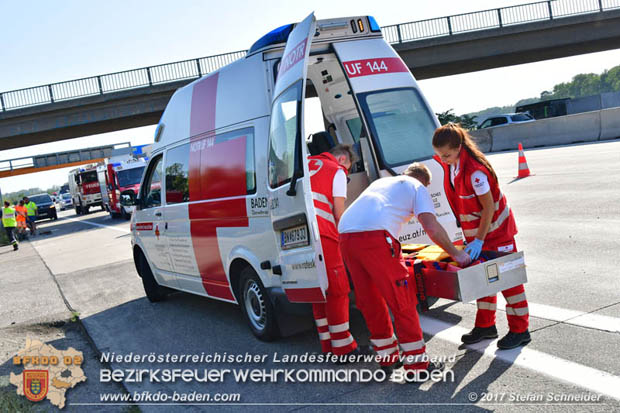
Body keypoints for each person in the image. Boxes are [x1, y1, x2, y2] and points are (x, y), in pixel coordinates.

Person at [338, 162, 471, 378]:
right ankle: (417, 366)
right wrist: (457, 254)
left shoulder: (383, 183)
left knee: (370, 300)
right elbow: (431, 226)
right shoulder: (417, 187)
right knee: (402, 299)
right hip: (375, 236)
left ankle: (388, 358)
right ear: (425, 182)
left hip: (346, 235)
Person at [432, 123, 530, 350]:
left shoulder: (475, 172)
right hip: (480, 236)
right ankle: (486, 326)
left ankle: (520, 330)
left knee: (509, 282)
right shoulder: (453, 165)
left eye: (446, 154)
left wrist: (479, 240)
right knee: (484, 281)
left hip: (497, 234)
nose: (443, 159)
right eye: (439, 155)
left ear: (458, 147)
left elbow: (488, 208)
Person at [308, 144, 359, 359]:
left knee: (318, 291)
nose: (346, 173)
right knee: (337, 290)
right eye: (347, 168)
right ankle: (343, 348)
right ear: (342, 159)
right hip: (326, 236)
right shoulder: (336, 171)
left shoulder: (306, 163)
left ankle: (327, 343)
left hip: (304, 236)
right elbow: (339, 211)